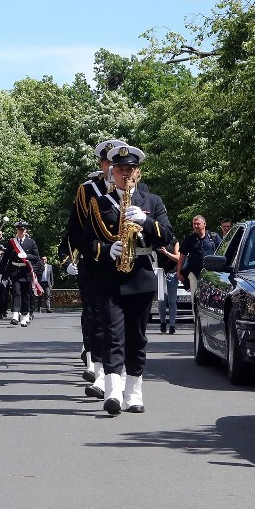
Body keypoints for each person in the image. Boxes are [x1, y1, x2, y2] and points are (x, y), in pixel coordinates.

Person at [82, 144, 173, 415]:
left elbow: (167, 235)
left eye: (130, 169)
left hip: (141, 276)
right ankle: (112, 391)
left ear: (138, 172)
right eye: (120, 169)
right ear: (112, 172)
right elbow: (86, 243)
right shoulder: (99, 203)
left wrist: (145, 222)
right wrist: (105, 249)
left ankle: (134, 392)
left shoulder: (152, 202)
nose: (125, 174)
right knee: (113, 335)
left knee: (137, 337)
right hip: (110, 278)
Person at [64, 139, 126, 396]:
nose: (112, 168)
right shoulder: (88, 190)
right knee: (98, 319)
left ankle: (124, 376)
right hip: (96, 264)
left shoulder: (133, 190)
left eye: (117, 163)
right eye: (108, 162)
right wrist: (95, 252)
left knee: (125, 324)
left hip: (127, 266)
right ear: (101, 164)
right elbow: (76, 231)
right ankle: (101, 372)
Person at [0, 221, 41, 327]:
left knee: (25, 294)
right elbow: (5, 258)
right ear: (16, 230)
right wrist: (1, 272)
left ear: (25, 231)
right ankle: (15, 314)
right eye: (19, 230)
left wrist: (27, 255)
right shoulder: (12, 242)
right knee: (16, 291)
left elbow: (36, 258)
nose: (21, 231)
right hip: (15, 271)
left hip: (25, 271)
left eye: (23, 230)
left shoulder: (31, 242)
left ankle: (25, 315)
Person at [176, 215, 222, 302]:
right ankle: (196, 314)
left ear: (204, 224)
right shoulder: (189, 239)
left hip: (212, 274)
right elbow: (182, 257)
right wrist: (178, 272)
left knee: (212, 299)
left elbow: (222, 253)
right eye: (194, 224)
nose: (196, 226)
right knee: (195, 297)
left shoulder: (214, 237)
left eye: (198, 224)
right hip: (194, 273)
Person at [156, 237, 180, 335]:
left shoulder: (174, 241)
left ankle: (172, 325)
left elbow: (178, 258)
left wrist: (166, 253)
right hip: (160, 273)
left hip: (172, 273)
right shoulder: (156, 242)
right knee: (161, 300)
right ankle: (162, 322)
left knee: (172, 301)